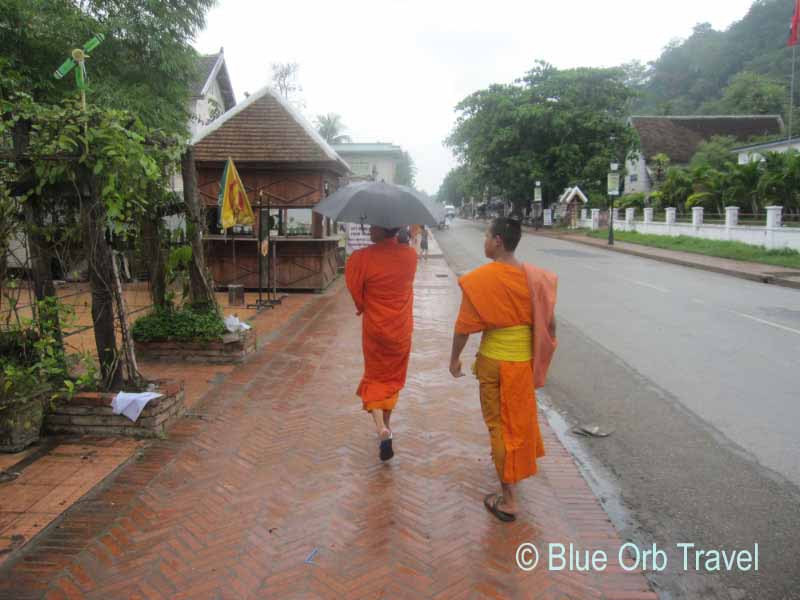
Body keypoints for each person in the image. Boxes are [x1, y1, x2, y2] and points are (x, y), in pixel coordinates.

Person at [449, 217, 558, 522]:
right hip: (521, 364)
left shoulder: (480, 279)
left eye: (486, 235)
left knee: (499, 426)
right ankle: (512, 475)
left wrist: (454, 359)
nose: (483, 241)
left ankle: (509, 499)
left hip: (493, 364)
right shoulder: (536, 278)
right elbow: (550, 325)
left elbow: (463, 329)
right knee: (518, 422)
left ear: (498, 241)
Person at [346, 225, 418, 461]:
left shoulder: (361, 258)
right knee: (392, 377)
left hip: (375, 328)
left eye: (373, 226)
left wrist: (364, 305)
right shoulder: (410, 256)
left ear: (381, 229)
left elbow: (355, 291)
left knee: (375, 376)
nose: (369, 230)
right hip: (400, 329)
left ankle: (381, 427)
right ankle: (386, 423)